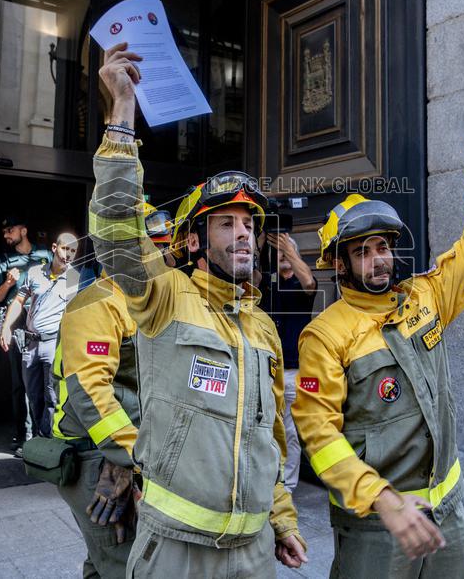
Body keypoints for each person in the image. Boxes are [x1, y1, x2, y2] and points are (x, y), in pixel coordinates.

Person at [89, 41, 306, 576]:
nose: (243, 234)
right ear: (193, 241)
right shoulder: (165, 297)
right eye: (226, 223)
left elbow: (270, 438)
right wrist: (122, 114)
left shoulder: (262, 327)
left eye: (249, 224)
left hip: (255, 551)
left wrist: (282, 521)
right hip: (177, 548)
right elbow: (117, 232)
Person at [291, 133, 464, 577]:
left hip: (447, 514)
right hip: (376, 526)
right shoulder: (326, 335)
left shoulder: (425, 297)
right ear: (340, 264)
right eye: (362, 251)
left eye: (383, 247)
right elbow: (319, 435)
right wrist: (382, 500)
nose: (378, 260)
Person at [49, 202, 175, 579]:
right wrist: (131, 459)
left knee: (104, 561)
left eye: (165, 249)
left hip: (125, 451)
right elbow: (91, 394)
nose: (165, 259)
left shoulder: (148, 305)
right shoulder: (99, 303)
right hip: (94, 456)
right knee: (125, 563)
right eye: (154, 249)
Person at [0, 232, 91, 440]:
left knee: (52, 396)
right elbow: (18, 301)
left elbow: (77, 313)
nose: (68, 254)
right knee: (31, 394)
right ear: (54, 248)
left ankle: (46, 440)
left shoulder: (74, 278)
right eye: (65, 248)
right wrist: (6, 327)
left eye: (73, 250)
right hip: (31, 343)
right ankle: (35, 437)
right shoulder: (34, 272)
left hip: (54, 343)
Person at [260, 229, 317, 493]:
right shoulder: (267, 283)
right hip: (267, 370)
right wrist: (261, 241)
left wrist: (289, 250)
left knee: (292, 433)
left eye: (287, 251)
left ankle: (288, 487)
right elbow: (251, 276)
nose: (282, 255)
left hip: (294, 372)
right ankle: (268, 482)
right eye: (279, 252)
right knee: (266, 428)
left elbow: (309, 282)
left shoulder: (301, 282)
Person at [0, 217, 51, 454]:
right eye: (4, 231)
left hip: (44, 322)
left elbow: (68, 281)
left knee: (47, 382)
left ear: (24, 230)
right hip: (16, 322)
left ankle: (45, 434)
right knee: (20, 383)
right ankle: (23, 434)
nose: (6, 235)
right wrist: (7, 283)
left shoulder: (47, 254)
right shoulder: (3, 260)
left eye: (10, 230)